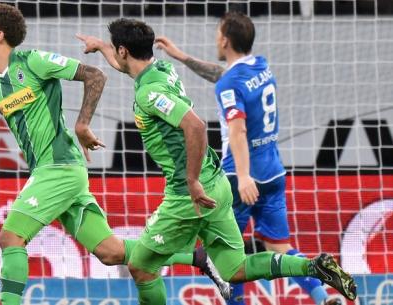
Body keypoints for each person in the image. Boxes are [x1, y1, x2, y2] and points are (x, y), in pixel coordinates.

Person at [0, 4, 229, 305]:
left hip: (59, 168)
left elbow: (94, 75)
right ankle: (196, 257)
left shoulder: (33, 61)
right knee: (109, 252)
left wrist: (83, 123)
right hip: (54, 173)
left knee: (10, 238)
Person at [76, 18, 357, 305]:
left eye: (116, 50)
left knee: (140, 266)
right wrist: (102, 48)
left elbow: (195, 127)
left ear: (124, 50)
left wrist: (192, 181)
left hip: (188, 195)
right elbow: (124, 66)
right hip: (220, 184)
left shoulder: (150, 93)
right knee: (235, 269)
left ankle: (200, 259)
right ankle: (313, 266)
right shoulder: (162, 69)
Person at [155, 11, 345, 305]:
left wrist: (243, 177)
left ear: (226, 40)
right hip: (273, 173)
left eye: (218, 33)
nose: (216, 38)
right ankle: (323, 296)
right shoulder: (261, 66)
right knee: (280, 248)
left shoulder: (229, 84)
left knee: (225, 257)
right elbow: (224, 75)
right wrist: (180, 56)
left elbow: (238, 129)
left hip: (239, 178)